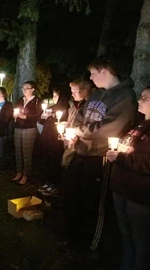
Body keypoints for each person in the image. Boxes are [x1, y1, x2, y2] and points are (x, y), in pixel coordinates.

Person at [61, 56, 138, 260]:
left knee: (93, 203)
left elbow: (109, 127)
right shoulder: (95, 94)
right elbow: (80, 115)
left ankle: (91, 246)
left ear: (104, 71)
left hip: (100, 159)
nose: (91, 77)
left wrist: (80, 130)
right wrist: (74, 132)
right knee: (73, 195)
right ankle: (73, 238)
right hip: (80, 153)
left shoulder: (125, 97)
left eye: (93, 73)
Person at [106, 86, 150, 270]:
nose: (139, 100)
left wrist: (122, 157)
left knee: (141, 240)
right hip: (121, 188)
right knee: (125, 234)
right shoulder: (138, 124)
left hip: (139, 195)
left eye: (145, 98)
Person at [38, 87, 70, 195]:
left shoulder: (65, 109)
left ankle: (55, 184)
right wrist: (42, 117)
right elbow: (41, 122)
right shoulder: (51, 107)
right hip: (47, 137)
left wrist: (55, 118)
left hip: (56, 139)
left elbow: (64, 122)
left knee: (55, 161)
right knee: (48, 160)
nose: (53, 98)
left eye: (55, 96)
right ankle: (48, 181)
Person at [12, 81, 42, 185]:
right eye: (23, 88)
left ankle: (26, 174)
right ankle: (19, 172)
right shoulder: (20, 100)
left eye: (26, 88)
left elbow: (38, 115)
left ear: (33, 89)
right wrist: (15, 114)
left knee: (27, 152)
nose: (24, 90)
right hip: (18, 127)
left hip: (29, 128)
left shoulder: (37, 101)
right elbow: (15, 110)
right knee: (18, 151)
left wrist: (25, 117)